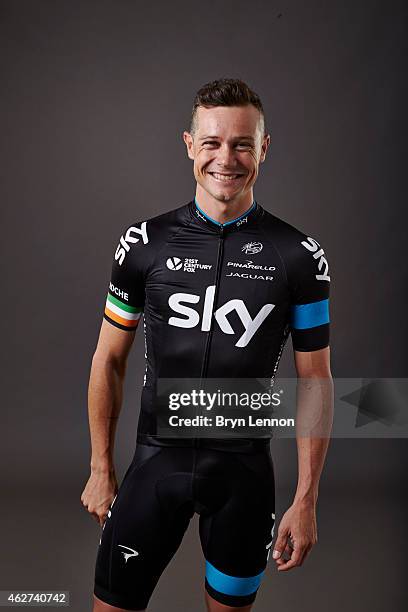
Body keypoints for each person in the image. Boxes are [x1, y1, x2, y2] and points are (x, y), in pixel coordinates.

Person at [81, 78, 333, 612]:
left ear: (263, 148)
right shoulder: (143, 243)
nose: (228, 158)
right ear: (190, 146)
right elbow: (108, 359)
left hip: (242, 477)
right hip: (155, 467)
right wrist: (101, 467)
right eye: (213, 142)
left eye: (243, 144)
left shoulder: (299, 256)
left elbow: (315, 380)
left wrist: (306, 499)